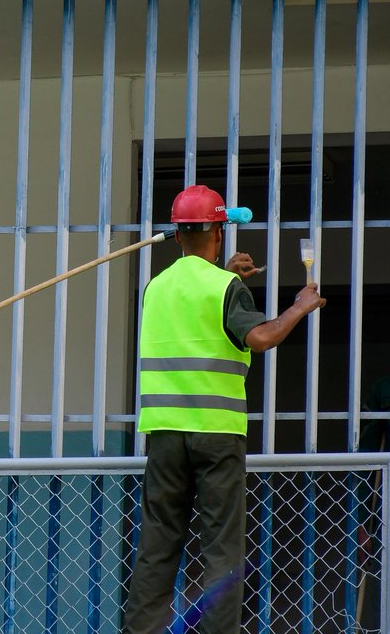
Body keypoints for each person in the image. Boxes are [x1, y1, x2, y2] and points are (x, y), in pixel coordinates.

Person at [123, 185, 325, 634]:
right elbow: (261, 337)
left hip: (163, 434)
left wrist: (226, 278)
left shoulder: (155, 287)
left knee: (157, 547)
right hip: (217, 435)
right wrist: (299, 307)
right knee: (220, 551)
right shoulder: (225, 287)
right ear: (217, 233)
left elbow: (194, 311)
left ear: (178, 237)